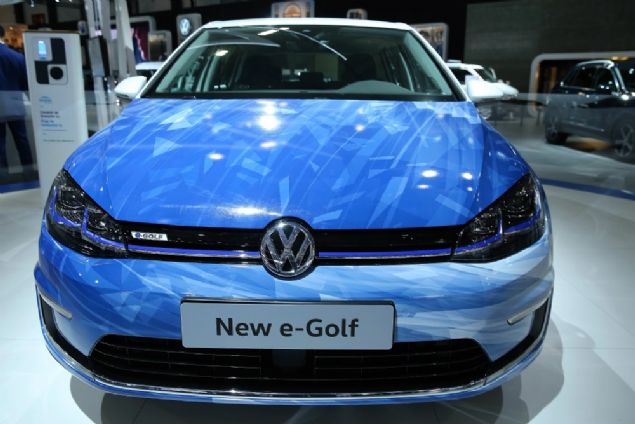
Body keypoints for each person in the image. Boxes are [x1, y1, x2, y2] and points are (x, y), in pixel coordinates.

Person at [0, 25, 33, 171]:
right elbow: (25, 83)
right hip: (16, 103)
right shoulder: (17, 57)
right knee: (22, 140)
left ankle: (3, 174)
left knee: (0, 144)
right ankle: (29, 170)